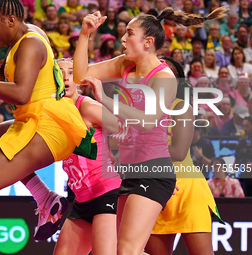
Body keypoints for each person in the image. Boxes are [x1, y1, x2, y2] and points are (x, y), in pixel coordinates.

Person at [0, 0, 96, 253]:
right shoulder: (25, 38)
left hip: (47, 125)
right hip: (41, 118)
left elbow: (21, 93)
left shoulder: (31, 44)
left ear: (10, 20)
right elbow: (5, 75)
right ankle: (45, 197)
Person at [73, 6, 227, 254]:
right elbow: (81, 75)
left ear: (147, 42)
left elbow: (147, 121)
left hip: (154, 172)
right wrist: (85, 35)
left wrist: (106, 100)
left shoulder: (163, 77)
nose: (123, 38)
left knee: (126, 250)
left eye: (129, 33)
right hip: (129, 171)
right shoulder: (124, 65)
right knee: (122, 250)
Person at [145, 57, 223, 255]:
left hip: (187, 190)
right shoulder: (138, 110)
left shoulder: (182, 107)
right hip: (152, 191)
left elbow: (179, 152)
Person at [53, 58, 121, 255]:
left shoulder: (87, 107)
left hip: (108, 193)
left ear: (79, 81)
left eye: (71, 73)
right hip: (81, 201)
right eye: (59, 72)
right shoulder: (51, 114)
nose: (65, 77)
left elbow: (130, 130)